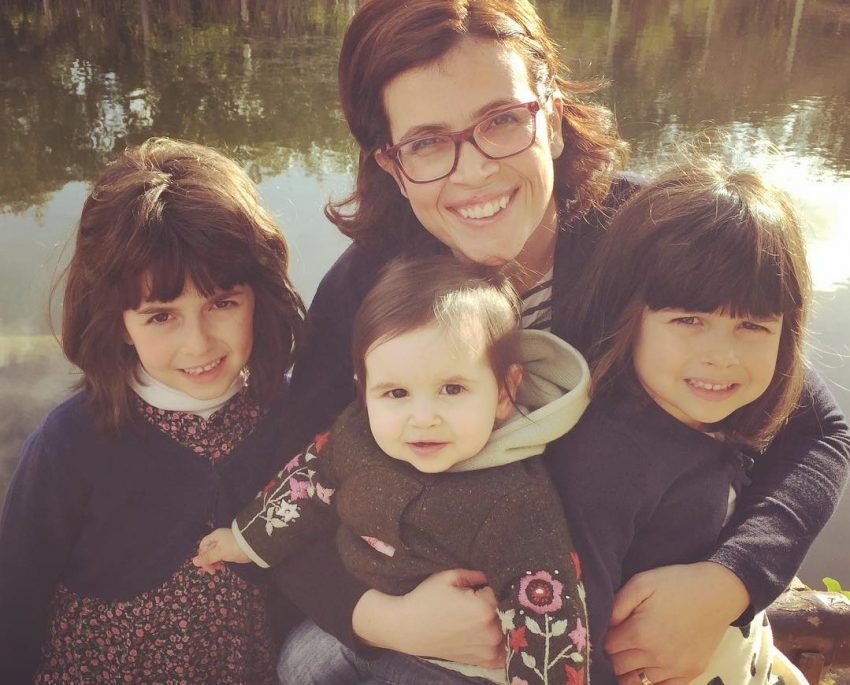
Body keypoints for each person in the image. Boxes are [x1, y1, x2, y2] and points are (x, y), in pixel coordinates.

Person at [267, 0, 849, 683]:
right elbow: (277, 479)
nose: (474, 171)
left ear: (552, 116)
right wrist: (378, 617)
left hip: (626, 619)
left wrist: (728, 583)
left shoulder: (652, 238)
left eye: (501, 120)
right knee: (306, 662)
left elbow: (817, 431)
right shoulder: (371, 288)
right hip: (447, 614)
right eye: (427, 142)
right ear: (391, 164)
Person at [194, 256, 593, 684]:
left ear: (502, 392)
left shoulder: (515, 503)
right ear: (363, 389)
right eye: (397, 393)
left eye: (452, 389)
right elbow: (308, 481)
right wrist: (243, 539)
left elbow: (551, 610)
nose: (422, 418)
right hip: (377, 617)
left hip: (461, 664)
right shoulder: (356, 435)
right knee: (298, 662)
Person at [0, 138, 305, 684]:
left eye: (222, 303)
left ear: (259, 294)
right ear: (119, 322)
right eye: (161, 316)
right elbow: (16, 591)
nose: (198, 344)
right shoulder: (73, 439)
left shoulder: (292, 415)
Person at [547, 160, 811, 685]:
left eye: (752, 325)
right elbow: (574, 647)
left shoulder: (718, 420)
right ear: (629, 316)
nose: (721, 355)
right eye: (689, 319)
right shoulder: (604, 467)